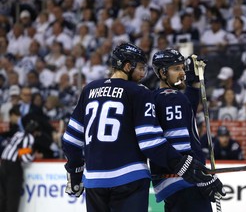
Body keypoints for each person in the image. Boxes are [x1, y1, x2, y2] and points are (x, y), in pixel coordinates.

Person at [61, 43, 224, 212]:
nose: (142, 74)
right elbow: (150, 142)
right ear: (126, 66)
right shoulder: (139, 92)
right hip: (130, 178)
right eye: (139, 68)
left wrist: (75, 172)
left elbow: (70, 140)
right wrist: (188, 168)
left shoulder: (89, 89)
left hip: (94, 181)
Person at [151, 49, 225, 211]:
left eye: (183, 68)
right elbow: (180, 146)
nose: (182, 73)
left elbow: (186, 110)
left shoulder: (158, 97)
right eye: (176, 69)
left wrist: (194, 83)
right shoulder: (173, 97)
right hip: (185, 181)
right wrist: (200, 177)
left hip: (172, 182)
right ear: (163, 73)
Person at [0, 105, 38, 212]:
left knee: (2, 196)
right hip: (13, 167)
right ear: (34, 132)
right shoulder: (29, 137)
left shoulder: (17, 134)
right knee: (12, 197)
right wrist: (33, 154)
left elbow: (15, 149)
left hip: (3, 164)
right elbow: (24, 156)